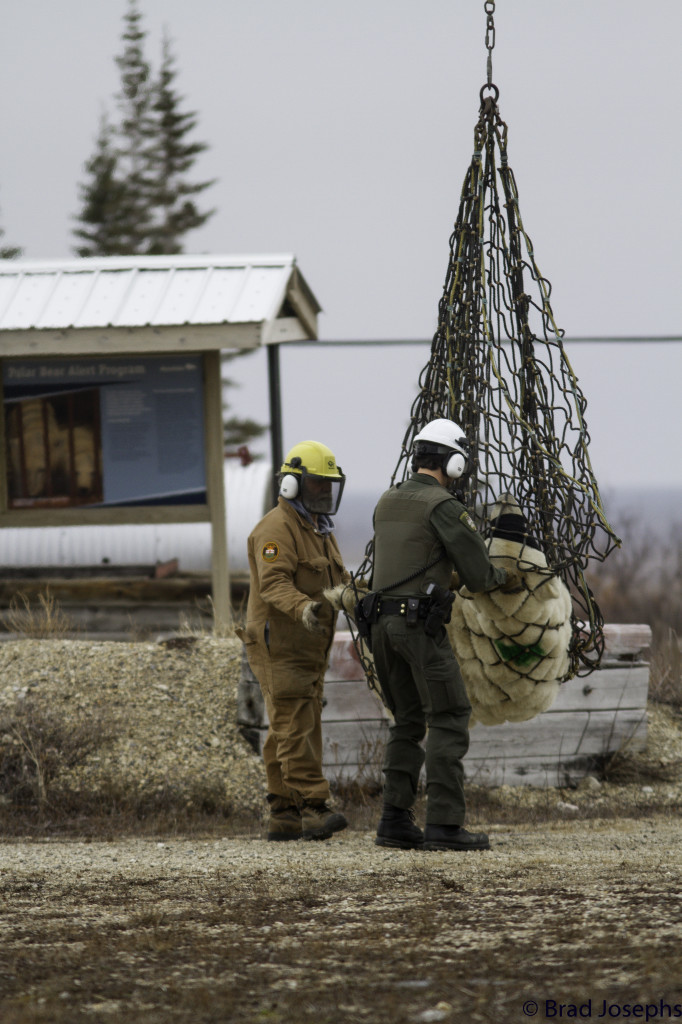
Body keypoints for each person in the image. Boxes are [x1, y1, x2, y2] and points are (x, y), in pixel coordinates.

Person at [367, 418, 510, 852]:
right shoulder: (445, 506)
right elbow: (479, 575)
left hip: (378, 625)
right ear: (454, 462)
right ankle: (445, 826)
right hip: (417, 627)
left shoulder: (387, 499)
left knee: (407, 721)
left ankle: (394, 820)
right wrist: (506, 575)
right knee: (448, 716)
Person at [241, 440, 350, 842]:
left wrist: (357, 596)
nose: (324, 493)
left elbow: (337, 581)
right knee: (294, 725)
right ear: (291, 485)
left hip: (308, 647)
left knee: (288, 723)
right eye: (317, 485)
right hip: (279, 644)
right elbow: (273, 584)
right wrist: (303, 608)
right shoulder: (275, 529)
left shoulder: (320, 530)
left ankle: (283, 813)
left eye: (328, 486)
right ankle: (313, 808)